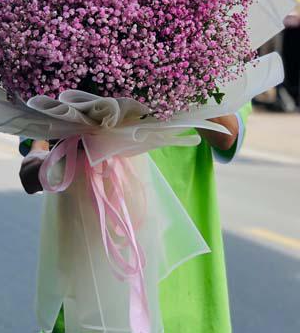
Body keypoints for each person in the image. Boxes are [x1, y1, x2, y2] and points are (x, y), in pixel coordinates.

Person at [19, 104, 251, 333]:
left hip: (179, 276)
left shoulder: (225, 67)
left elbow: (227, 135)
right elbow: (40, 134)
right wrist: (39, 155)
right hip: (89, 250)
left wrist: (179, 74)